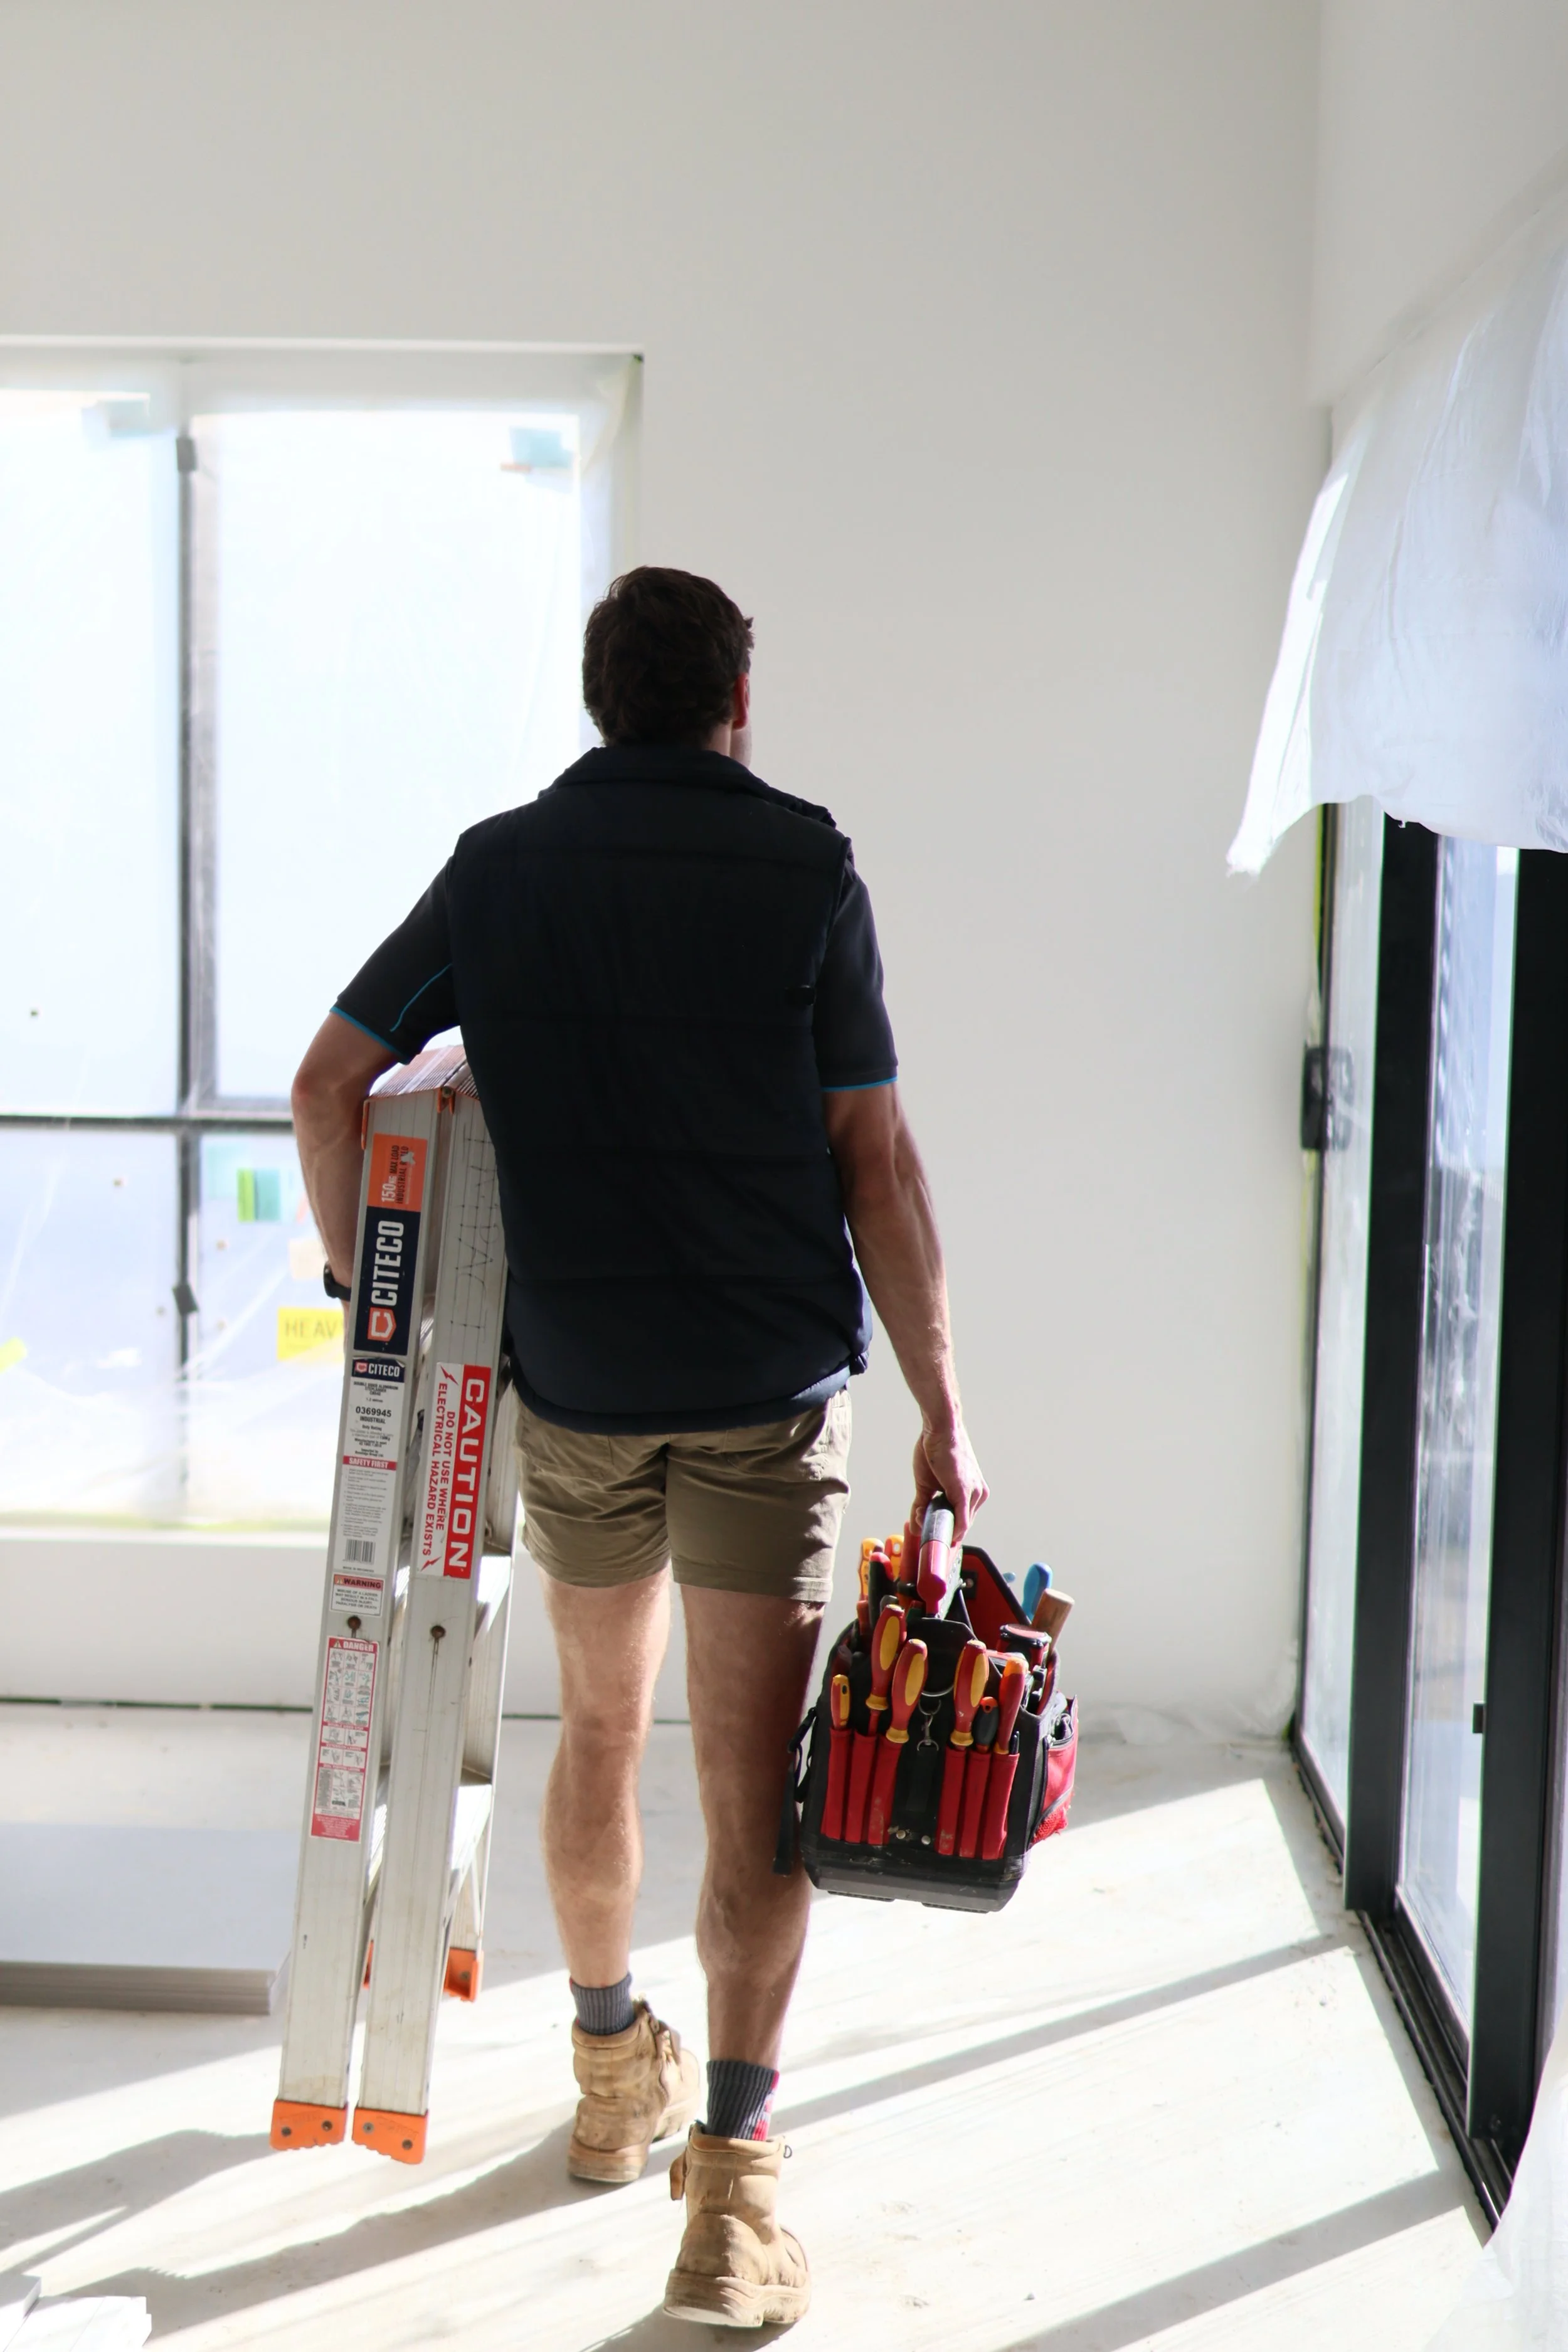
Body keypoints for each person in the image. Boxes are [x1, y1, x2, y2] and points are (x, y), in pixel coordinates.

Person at [291, 565, 985, 2329]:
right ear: (735, 693)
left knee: (598, 1730)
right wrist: (944, 1419)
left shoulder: (498, 866)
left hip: (579, 1388)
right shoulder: (805, 866)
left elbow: (329, 1083)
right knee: (755, 1796)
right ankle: (733, 2201)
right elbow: (875, 1167)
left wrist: (360, 1293)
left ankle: (613, 2081)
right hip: (762, 1392)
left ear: (601, 697)